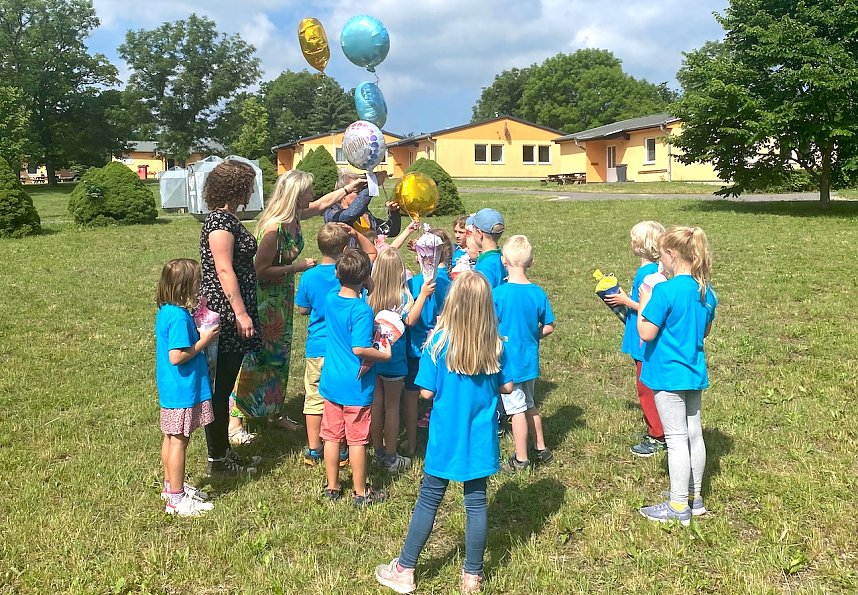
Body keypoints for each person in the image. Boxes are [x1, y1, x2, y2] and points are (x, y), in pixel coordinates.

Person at [374, 271, 514, 594]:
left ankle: (406, 568)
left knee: (429, 499)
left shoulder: (438, 342)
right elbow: (507, 386)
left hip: (443, 438)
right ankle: (472, 576)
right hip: (480, 440)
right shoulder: (494, 345)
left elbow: (424, 392)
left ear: (451, 304)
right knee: (476, 502)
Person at [228, 170, 368, 443]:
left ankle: (273, 410)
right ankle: (236, 421)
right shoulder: (274, 229)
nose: (312, 195)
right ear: (297, 194)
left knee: (279, 357)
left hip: (282, 296)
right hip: (266, 300)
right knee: (256, 359)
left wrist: (350, 187)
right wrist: (298, 267)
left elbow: (321, 205)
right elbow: (259, 270)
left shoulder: (295, 217)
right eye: (308, 190)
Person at [637, 226, 717, 525]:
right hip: (693, 373)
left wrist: (645, 300)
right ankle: (695, 499)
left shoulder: (664, 291)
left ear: (671, 255)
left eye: (662, 255)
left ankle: (677, 505)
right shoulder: (706, 291)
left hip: (667, 376)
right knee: (694, 434)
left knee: (675, 439)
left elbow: (645, 332)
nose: (661, 261)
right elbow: (705, 332)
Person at [198, 159, 264, 476]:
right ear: (236, 187)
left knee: (223, 388)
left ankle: (223, 454)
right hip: (225, 315)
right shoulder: (219, 224)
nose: (252, 190)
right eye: (249, 185)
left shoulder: (228, 219)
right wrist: (240, 313)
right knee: (219, 389)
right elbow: (224, 270)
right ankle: (218, 461)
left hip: (235, 312)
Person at [295, 222, 376, 467]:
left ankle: (313, 448)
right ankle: (341, 446)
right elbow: (372, 254)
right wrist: (356, 234)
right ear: (344, 248)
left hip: (316, 346)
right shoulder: (352, 271)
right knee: (338, 399)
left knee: (314, 398)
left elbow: (302, 309)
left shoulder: (309, 276)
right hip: (342, 349)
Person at [319, 249, 391, 506]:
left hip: (331, 382)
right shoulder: (361, 310)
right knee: (357, 440)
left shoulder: (330, 299)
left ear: (338, 274)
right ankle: (361, 491)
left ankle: (333, 486)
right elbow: (359, 348)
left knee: (331, 436)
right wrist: (384, 354)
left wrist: (363, 285)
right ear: (366, 277)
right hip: (355, 385)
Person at [155, 259, 218, 516]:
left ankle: (170, 487)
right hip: (183, 390)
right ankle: (177, 499)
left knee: (170, 437)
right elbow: (177, 356)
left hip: (171, 389)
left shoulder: (166, 311)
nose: (200, 287)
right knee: (180, 440)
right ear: (184, 287)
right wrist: (204, 341)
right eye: (197, 283)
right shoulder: (179, 317)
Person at [368, 248, 436, 474]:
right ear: (400, 272)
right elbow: (411, 320)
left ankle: (377, 451)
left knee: (376, 406)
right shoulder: (403, 297)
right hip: (395, 362)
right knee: (393, 407)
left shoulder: (369, 296)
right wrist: (423, 295)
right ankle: (391, 456)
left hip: (373, 359)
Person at [603, 221, 667, 457]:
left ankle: (658, 435)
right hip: (641, 339)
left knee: (645, 388)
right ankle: (658, 428)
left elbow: (651, 308)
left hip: (644, 341)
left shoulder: (648, 273)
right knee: (646, 385)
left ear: (640, 245)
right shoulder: (653, 270)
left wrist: (625, 301)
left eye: (634, 239)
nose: (631, 242)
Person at [492, 235, 556, 472]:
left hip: (508, 363)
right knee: (530, 404)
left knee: (516, 410)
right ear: (531, 263)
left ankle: (521, 459)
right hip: (529, 360)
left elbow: (489, 324)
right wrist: (531, 334)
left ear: (503, 261)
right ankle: (541, 448)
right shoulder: (538, 292)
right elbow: (549, 325)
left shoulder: (498, 294)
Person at [401, 229, 453, 455]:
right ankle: (444, 441)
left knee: (412, 396)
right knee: (442, 393)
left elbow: (408, 317)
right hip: (442, 349)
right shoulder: (448, 283)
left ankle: (411, 443)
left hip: (415, 350)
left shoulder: (413, 285)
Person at [324, 169, 401, 237]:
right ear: (344, 193)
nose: (361, 194)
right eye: (357, 191)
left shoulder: (364, 214)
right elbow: (350, 215)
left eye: (362, 190)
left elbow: (391, 230)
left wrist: (394, 212)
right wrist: (372, 185)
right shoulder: (331, 214)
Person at [468, 208, 507, 288]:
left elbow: (481, 297)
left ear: (479, 233)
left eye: (473, 229)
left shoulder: (485, 266)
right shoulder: (503, 258)